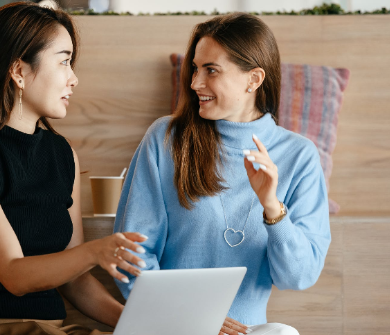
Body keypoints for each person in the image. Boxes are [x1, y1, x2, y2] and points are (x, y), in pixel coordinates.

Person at [0, 3, 147, 335]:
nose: (74, 78)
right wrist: (95, 251)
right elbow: (14, 275)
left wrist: (142, 323)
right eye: (64, 61)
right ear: (19, 72)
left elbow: (75, 281)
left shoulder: (62, 153)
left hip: (48, 328)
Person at [114, 13, 331, 335]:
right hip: (170, 327)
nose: (195, 83)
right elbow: (131, 255)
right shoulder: (166, 139)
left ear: (253, 79)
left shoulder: (299, 155)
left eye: (211, 70)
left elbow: (298, 276)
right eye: (195, 68)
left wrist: (272, 208)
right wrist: (192, 321)